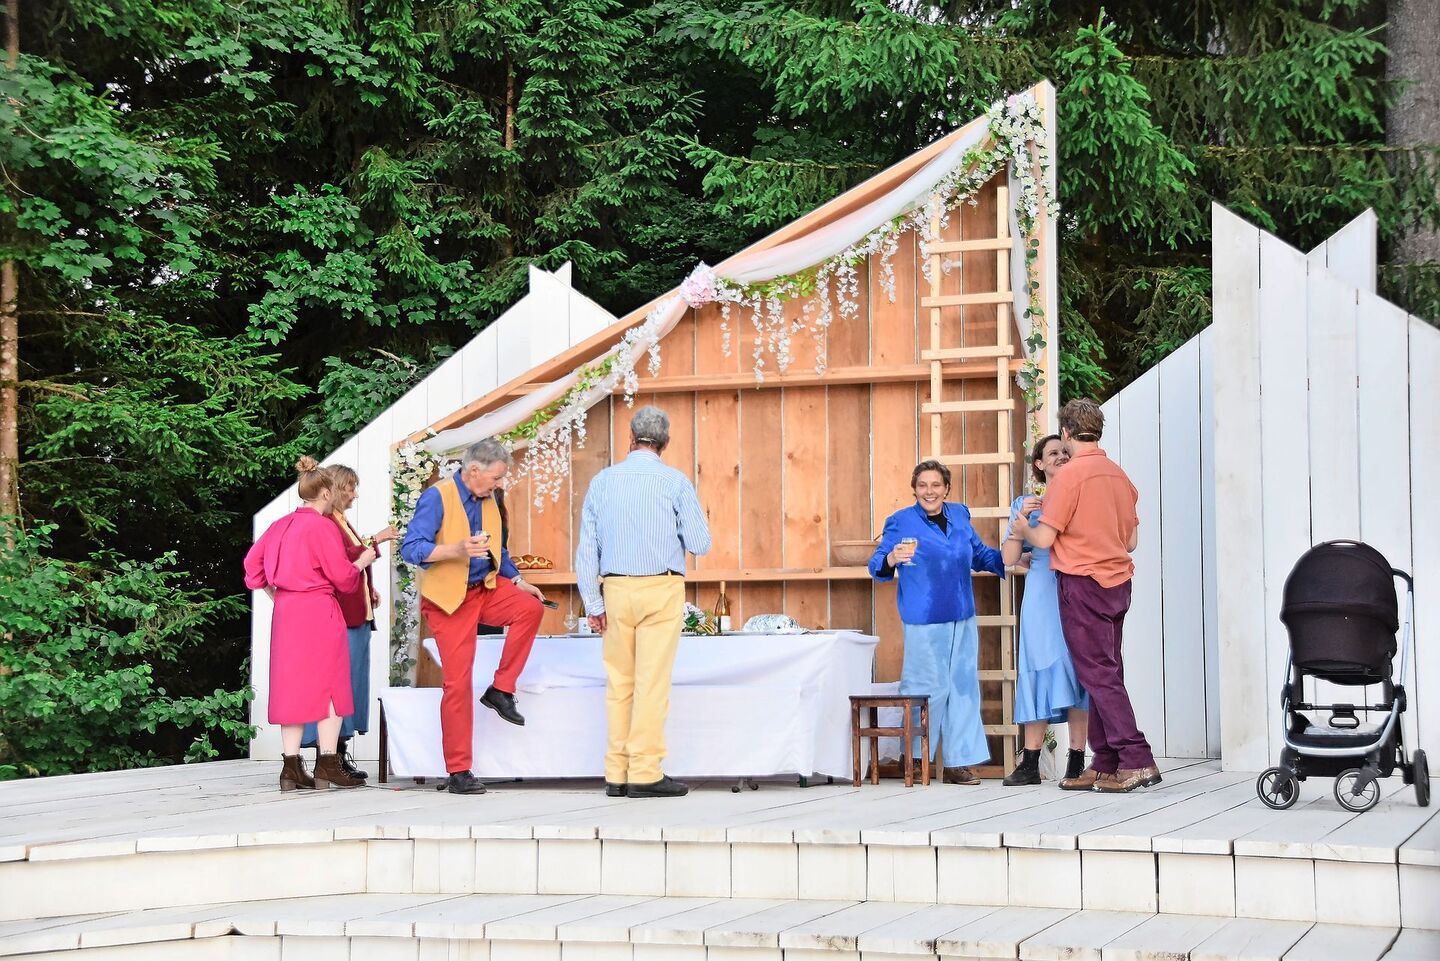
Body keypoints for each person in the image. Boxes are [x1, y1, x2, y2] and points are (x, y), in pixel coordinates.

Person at [1016, 399, 1161, 793]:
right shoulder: (1119, 475)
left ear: (1066, 432)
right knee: (1104, 672)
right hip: (1118, 584)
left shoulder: (1069, 477)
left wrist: (1022, 528)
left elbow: (1044, 538)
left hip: (1082, 583)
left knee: (1097, 674)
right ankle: (1106, 761)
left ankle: (1136, 758)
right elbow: (1130, 542)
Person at [575, 406, 711, 799]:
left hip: (616, 589)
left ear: (631, 438)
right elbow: (700, 543)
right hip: (661, 587)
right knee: (651, 684)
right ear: (665, 443)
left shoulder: (603, 482)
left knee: (619, 684)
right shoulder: (675, 482)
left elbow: (587, 551)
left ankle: (616, 773)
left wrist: (593, 604)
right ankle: (645, 772)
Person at [399, 438, 547, 796]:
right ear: (474, 470)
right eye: (496, 477)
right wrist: (456, 549)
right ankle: (459, 770)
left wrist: (518, 580)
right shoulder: (437, 496)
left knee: (530, 607)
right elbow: (411, 548)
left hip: (486, 588)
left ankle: (501, 690)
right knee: (458, 683)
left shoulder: (490, 497)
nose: (500, 483)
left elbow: (499, 549)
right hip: (449, 600)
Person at [245, 456, 379, 791]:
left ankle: (290, 768)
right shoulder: (322, 527)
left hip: (287, 612)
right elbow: (343, 578)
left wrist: (276, 594)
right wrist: (362, 560)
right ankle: (328, 763)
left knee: (290, 685)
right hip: (319, 609)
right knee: (330, 683)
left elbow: (252, 565)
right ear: (325, 493)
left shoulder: (279, 525)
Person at [869, 460, 1006, 785]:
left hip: (962, 613)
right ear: (914, 490)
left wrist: (1011, 557)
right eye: (922, 485)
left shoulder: (960, 515)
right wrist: (891, 559)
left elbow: (978, 554)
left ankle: (959, 763)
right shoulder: (900, 521)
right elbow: (876, 565)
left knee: (962, 688)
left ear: (946, 488)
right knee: (924, 688)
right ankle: (915, 759)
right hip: (924, 617)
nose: (929, 491)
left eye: (935, 485)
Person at [298, 465, 398, 781]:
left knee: (352, 684)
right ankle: (330, 757)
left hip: (356, 613)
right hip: (341, 615)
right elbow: (344, 559)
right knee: (338, 685)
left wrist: (368, 589)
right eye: (351, 487)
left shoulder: (340, 519)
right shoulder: (327, 522)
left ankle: (338, 753)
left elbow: (352, 560)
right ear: (336, 489)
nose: (355, 494)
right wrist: (377, 539)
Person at [1000, 435, 1090, 787]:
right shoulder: (1025, 504)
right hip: (1040, 594)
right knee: (1036, 666)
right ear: (1039, 463)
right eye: (1053, 453)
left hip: (1076, 588)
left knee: (1077, 668)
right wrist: (1020, 522)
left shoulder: (1080, 496)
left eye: (1065, 452)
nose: (1061, 457)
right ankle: (1030, 762)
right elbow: (1009, 559)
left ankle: (1077, 760)